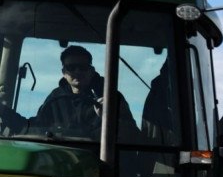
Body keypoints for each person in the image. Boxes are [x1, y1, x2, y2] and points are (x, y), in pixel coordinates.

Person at [0, 45, 135, 139]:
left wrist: (112, 119)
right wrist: (3, 111)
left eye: (82, 67)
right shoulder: (55, 98)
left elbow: (131, 136)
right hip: (62, 164)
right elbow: (34, 128)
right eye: (71, 67)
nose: (77, 71)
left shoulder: (110, 96)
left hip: (101, 165)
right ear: (64, 73)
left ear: (91, 70)